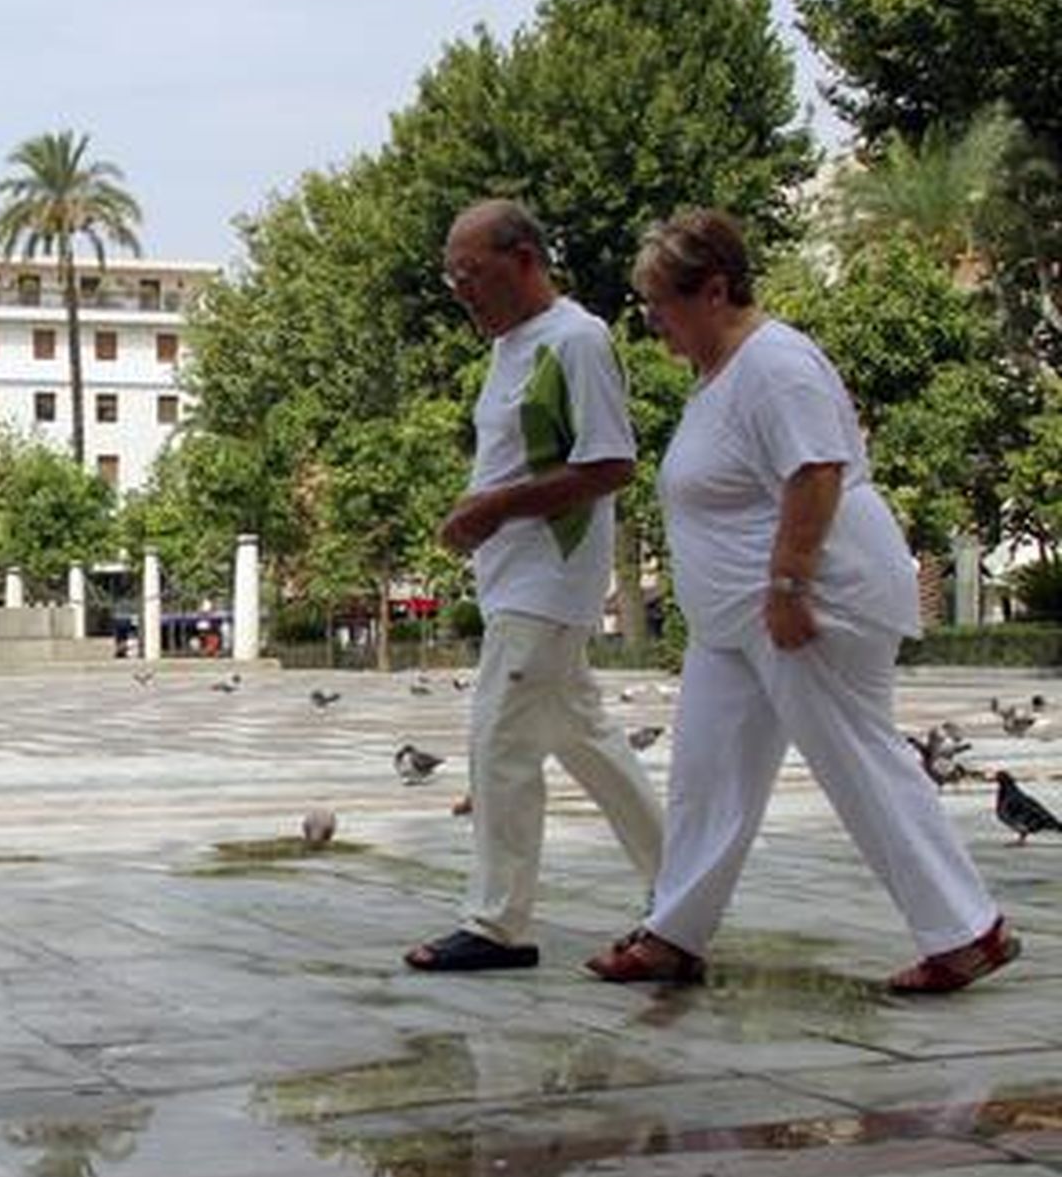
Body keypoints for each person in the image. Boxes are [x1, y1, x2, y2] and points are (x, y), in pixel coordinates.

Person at [585, 208, 1018, 993]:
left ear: (715, 290)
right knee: (706, 776)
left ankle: (967, 930)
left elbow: (816, 471)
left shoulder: (775, 364)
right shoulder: (720, 374)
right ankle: (674, 931)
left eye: (661, 306)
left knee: (858, 761)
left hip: (809, 600)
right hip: (731, 622)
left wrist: (789, 583)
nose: (655, 326)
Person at [405, 199, 664, 972]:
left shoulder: (576, 340)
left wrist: (495, 507)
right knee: (589, 740)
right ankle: (683, 889)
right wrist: (481, 511)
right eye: (452, 279)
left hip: (550, 579)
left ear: (524, 260)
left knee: (500, 739)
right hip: (514, 578)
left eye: (472, 274)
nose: (462, 292)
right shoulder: (510, 349)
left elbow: (611, 463)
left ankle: (497, 923)